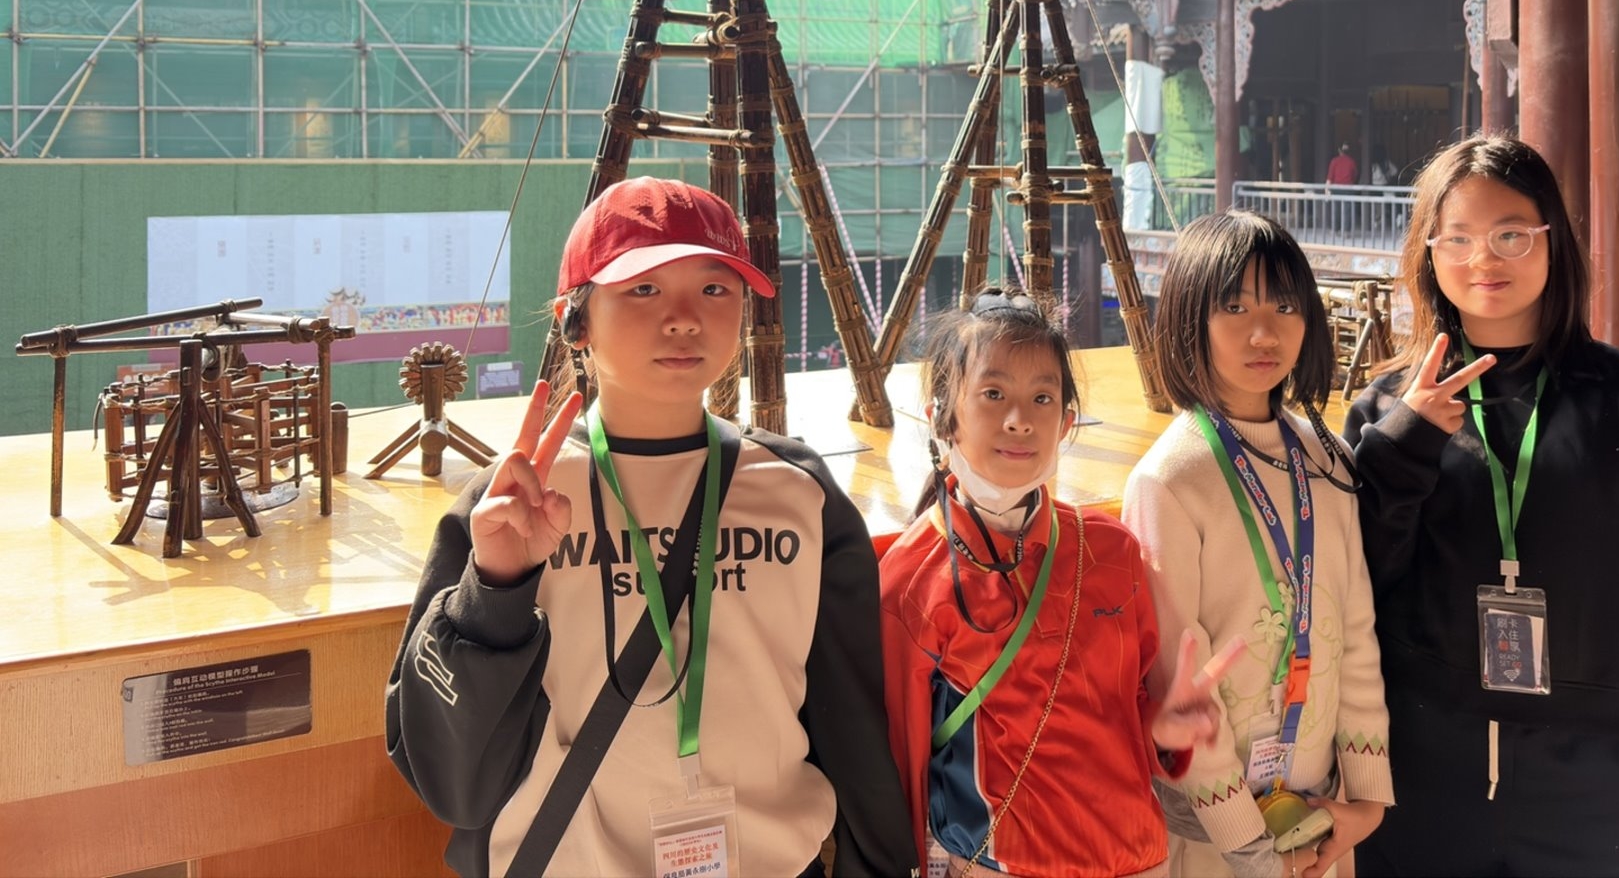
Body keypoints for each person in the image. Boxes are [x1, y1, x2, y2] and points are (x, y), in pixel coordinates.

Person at [387, 177, 915, 878]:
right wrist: (495, 590)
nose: (684, 318)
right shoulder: (512, 504)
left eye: (715, 288)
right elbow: (448, 779)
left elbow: (852, 723)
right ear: (575, 321)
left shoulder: (798, 492)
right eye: (643, 289)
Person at [1343, 136, 1619, 878]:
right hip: (1420, 790)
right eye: (1458, 238)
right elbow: (1352, 595)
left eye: (1511, 234)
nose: (1484, 258)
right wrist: (1405, 445)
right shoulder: (1387, 410)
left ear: (1552, 241)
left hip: (1598, 794)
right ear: (1428, 253)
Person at [881, 290, 1235, 878]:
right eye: (993, 394)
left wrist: (1167, 728)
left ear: (1067, 421)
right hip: (1002, 865)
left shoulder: (1113, 550)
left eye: (1042, 398)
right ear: (942, 414)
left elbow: (1130, 711)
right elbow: (904, 758)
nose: (1020, 419)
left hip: (1138, 856)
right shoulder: (911, 579)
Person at [1125, 210, 1392, 878]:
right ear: (1190, 318)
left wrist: (1365, 798)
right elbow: (1176, 683)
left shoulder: (1326, 459)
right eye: (1235, 307)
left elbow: (1356, 631)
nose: (1264, 331)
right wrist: (1250, 847)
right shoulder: (1168, 480)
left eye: (1285, 306)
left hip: (1321, 822)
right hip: (1214, 842)